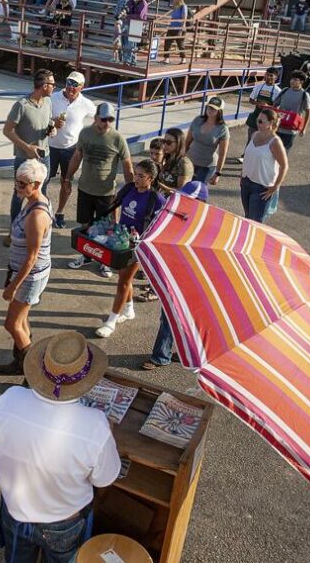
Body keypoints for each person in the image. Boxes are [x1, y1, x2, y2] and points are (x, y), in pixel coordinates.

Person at [0, 331, 118, 563]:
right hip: (65, 521)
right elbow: (103, 479)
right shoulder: (95, 425)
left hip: (15, 510)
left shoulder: (8, 399)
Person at [93, 160, 166, 338]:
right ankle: (129, 310)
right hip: (121, 239)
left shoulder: (156, 199)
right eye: (135, 174)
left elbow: (163, 223)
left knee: (123, 281)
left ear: (150, 178)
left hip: (136, 246)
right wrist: (111, 224)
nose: (136, 178)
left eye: (141, 176)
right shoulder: (128, 188)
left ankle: (111, 322)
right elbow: (115, 205)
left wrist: (144, 240)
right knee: (125, 277)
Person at [0, 160, 53, 376]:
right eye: (17, 182)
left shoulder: (37, 216)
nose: (17, 187)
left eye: (22, 183)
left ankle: (33, 371)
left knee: (12, 324)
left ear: (36, 184)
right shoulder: (29, 200)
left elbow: (31, 257)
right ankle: (20, 363)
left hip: (29, 276)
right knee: (21, 320)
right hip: (25, 271)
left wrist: (12, 287)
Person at [143, 180, 207, 370]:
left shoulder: (202, 224)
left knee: (173, 316)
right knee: (178, 317)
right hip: (177, 274)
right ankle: (187, 354)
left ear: (201, 203)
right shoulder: (181, 216)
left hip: (190, 279)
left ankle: (161, 356)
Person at [65, 103, 134, 277]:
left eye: (110, 119)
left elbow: (127, 164)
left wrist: (130, 189)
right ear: (96, 118)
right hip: (85, 189)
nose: (107, 123)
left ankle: (105, 262)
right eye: (104, 119)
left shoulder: (118, 138)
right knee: (86, 226)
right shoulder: (85, 134)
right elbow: (77, 155)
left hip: (106, 193)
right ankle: (86, 256)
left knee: (107, 229)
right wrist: (67, 177)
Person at [2, 70, 60, 246]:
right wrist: (26, 147)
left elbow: (49, 124)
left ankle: (37, 227)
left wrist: (54, 128)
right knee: (19, 194)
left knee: (41, 193)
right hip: (25, 160)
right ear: (44, 86)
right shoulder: (21, 105)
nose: (54, 87)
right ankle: (14, 230)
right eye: (52, 84)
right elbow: (7, 130)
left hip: (45, 157)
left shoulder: (48, 102)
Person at [48, 71, 97, 229]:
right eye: (69, 82)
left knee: (66, 181)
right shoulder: (53, 98)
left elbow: (99, 119)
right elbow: (41, 116)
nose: (71, 87)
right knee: (42, 181)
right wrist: (53, 122)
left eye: (75, 84)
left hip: (71, 149)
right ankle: (41, 210)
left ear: (82, 87)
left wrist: (89, 137)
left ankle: (60, 212)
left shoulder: (86, 104)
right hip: (50, 147)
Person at [240, 108, 288, 223]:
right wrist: (242, 175)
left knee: (255, 222)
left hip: (261, 188)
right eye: (257, 120)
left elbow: (284, 166)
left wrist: (275, 187)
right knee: (247, 217)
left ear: (271, 123)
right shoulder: (255, 135)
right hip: (246, 182)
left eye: (261, 121)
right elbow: (249, 157)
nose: (257, 123)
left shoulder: (275, 142)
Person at [184, 96, 230, 185]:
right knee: (185, 189)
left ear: (219, 111)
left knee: (198, 193)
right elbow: (187, 141)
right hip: (190, 162)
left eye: (213, 109)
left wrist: (218, 173)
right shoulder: (198, 120)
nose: (210, 110)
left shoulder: (222, 129)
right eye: (209, 107)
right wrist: (181, 156)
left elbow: (222, 154)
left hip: (206, 167)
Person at [274, 70, 310, 152]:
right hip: (278, 126)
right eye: (292, 79)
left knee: (283, 151)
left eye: (295, 80)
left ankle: (282, 165)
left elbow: (308, 112)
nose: (292, 81)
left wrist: (303, 128)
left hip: (291, 129)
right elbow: (275, 105)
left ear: (301, 82)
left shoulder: (304, 95)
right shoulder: (285, 90)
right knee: (273, 149)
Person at [157, 127, 194, 195]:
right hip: (163, 197)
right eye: (164, 141)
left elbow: (181, 192)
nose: (165, 145)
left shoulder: (184, 163)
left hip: (174, 202)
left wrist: (161, 186)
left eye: (169, 142)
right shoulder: (168, 158)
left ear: (179, 143)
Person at [162, 0, 187, 65]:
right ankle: (166, 59)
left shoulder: (183, 6)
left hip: (179, 28)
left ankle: (183, 59)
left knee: (180, 44)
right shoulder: (175, 7)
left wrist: (182, 28)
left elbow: (184, 18)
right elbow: (172, 17)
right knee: (167, 43)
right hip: (172, 27)